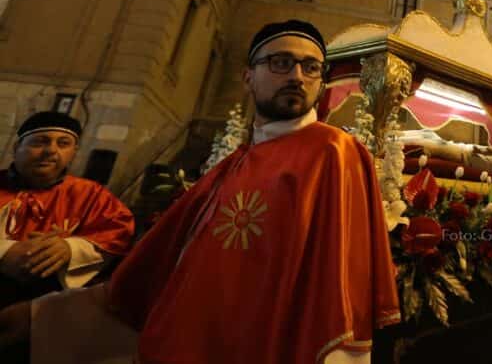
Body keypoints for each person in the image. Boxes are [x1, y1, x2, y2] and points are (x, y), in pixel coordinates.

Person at [0, 19, 401, 363]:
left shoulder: (332, 151)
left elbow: (336, 292)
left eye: (311, 67)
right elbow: (153, 278)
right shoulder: (229, 168)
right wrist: (43, 316)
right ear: (248, 76)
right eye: (280, 63)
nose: (297, 76)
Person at [0, 112, 135, 362]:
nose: (51, 150)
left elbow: (117, 233)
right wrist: (5, 252)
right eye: (40, 141)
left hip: (45, 315)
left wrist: (71, 248)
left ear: (74, 152)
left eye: (63, 144)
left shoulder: (92, 196)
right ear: (17, 147)